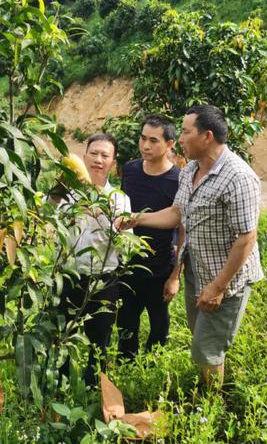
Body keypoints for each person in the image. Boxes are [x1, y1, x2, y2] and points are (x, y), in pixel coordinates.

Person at [116, 105, 263, 387]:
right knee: (203, 339)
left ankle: (210, 407)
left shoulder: (238, 177)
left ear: (207, 136)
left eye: (185, 132)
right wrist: (135, 219)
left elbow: (246, 238)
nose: (180, 139)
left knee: (205, 349)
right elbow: (177, 212)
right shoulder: (191, 170)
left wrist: (217, 287)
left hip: (226, 279)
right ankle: (214, 384)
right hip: (197, 271)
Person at [58, 133, 132, 385]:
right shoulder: (67, 193)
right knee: (61, 337)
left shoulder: (120, 199)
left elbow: (126, 245)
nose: (98, 160)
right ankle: (59, 386)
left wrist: (100, 212)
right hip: (68, 276)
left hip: (104, 281)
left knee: (99, 342)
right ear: (84, 155)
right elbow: (47, 220)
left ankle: (94, 390)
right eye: (94, 153)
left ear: (113, 163)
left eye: (105, 156)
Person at [117, 116, 183, 360]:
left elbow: (182, 227)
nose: (145, 145)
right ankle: (125, 369)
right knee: (125, 326)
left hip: (160, 266)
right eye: (143, 138)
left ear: (169, 144)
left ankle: (153, 368)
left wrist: (175, 275)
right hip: (128, 266)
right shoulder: (131, 170)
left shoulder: (178, 180)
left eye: (153, 141)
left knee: (159, 325)